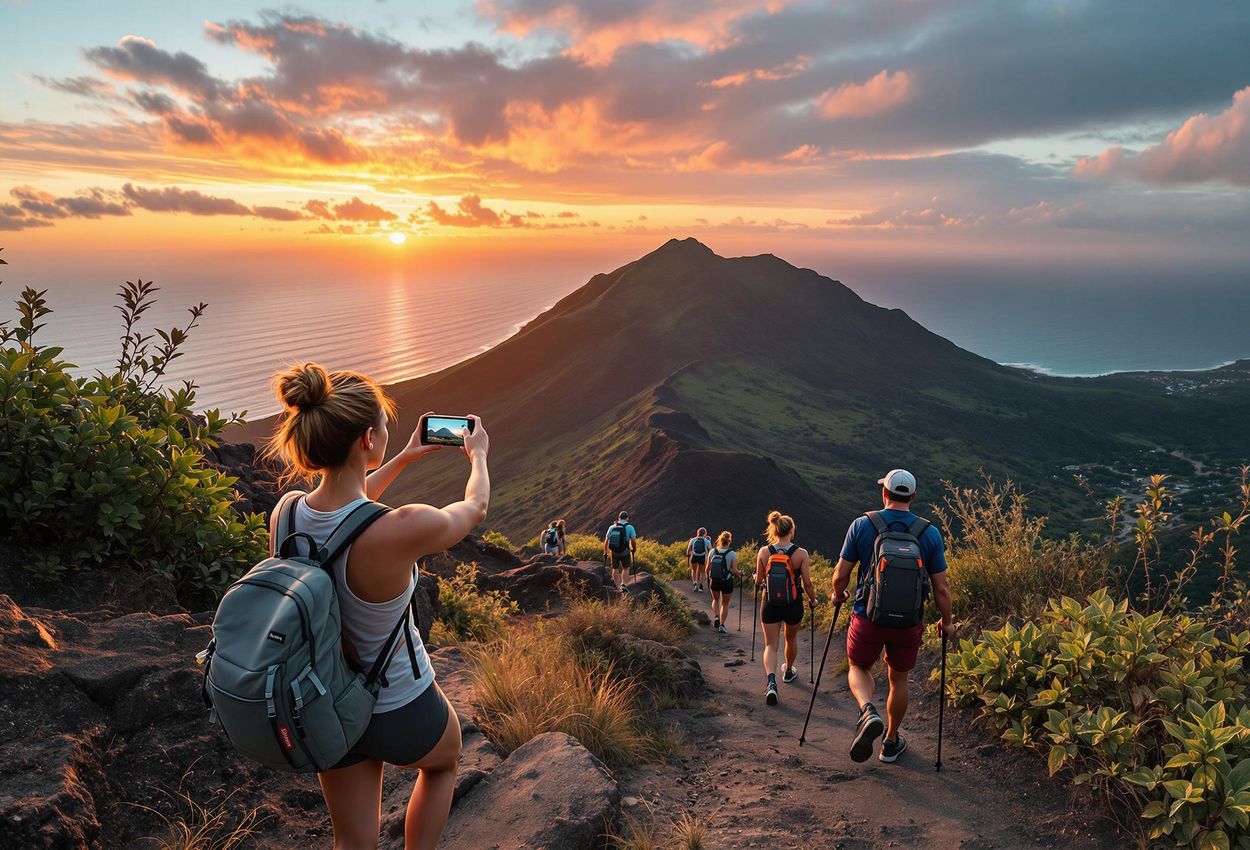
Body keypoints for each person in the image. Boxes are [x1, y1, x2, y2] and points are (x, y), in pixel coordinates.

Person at [262, 362, 490, 850]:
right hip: (398, 706)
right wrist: (478, 457)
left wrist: (405, 457)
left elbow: (345, 514)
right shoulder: (402, 526)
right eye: (386, 428)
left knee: (353, 840)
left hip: (324, 703)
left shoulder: (287, 513)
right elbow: (474, 510)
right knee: (445, 760)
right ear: (368, 439)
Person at [830, 469, 954, 765]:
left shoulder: (862, 525)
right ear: (912, 497)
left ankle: (867, 711)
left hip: (867, 616)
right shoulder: (929, 532)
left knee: (858, 666)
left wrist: (838, 594)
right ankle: (890, 741)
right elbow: (942, 587)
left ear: (883, 492)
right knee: (899, 679)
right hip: (909, 622)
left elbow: (841, 574)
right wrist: (947, 621)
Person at [754, 511, 817, 705]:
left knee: (770, 645)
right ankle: (788, 671)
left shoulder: (764, 552)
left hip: (770, 602)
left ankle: (771, 683)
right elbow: (807, 584)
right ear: (792, 530)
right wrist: (813, 600)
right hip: (793, 603)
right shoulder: (801, 554)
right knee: (790, 638)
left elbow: (758, 580)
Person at [707, 530, 741, 634]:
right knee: (725, 604)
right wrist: (740, 574)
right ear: (729, 541)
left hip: (715, 580)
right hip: (727, 581)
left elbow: (707, 568)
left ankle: (716, 616)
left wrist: (709, 579)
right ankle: (722, 625)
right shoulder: (732, 554)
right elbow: (734, 571)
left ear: (720, 539)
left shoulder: (712, 552)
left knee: (715, 600)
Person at [603, 511, 637, 593]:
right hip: (625, 551)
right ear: (627, 518)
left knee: (615, 568)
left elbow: (606, 540)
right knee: (626, 568)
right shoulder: (630, 527)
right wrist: (634, 548)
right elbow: (633, 540)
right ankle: (623, 584)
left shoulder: (612, 527)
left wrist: (605, 552)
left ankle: (617, 587)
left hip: (614, 551)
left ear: (619, 518)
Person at [686, 527, 713, 592]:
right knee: (702, 572)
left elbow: (688, 550)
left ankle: (695, 583)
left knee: (693, 570)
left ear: (698, 533)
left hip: (694, 556)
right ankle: (701, 586)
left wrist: (688, 556)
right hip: (702, 557)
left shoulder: (693, 540)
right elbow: (711, 551)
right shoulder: (707, 541)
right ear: (705, 533)